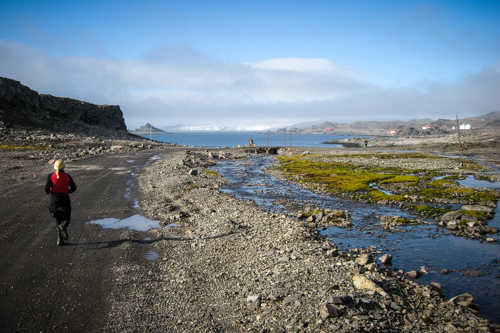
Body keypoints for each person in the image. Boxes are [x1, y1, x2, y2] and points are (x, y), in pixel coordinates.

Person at [45, 159, 77, 246]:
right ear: (64, 167)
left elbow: (46, 189)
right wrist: (67, 191)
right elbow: (74, 188)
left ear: (54, 167)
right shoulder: (67, 176)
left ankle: (59, 239)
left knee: (57, 218)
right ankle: (64, 226)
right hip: (64, 199)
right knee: (67, 217)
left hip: (54, 200)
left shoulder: (50, 176)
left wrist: (50, 192)